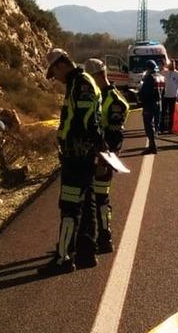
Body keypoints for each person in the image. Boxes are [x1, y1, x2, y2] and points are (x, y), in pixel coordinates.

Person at [43, 48, 106, 274]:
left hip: (78, 158)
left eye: (54, 73)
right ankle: (87, 254)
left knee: (69, 207)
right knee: (86, 203)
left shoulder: (81, 84)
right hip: (80, 156)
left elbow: (87, 122)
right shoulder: (76, 83)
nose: (55, 78)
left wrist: (96, 148)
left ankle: (64, 258)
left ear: (61, 65)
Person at [84, 59, 130, 254]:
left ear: (96, 75)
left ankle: (105, 238)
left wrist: (104, 162)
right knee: (91, 199)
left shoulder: (114, 100)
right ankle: (90, 237)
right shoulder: (97, 95)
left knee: (101, 199)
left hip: (104, 158)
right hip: (92, 155)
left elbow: (114, 136)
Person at [138, 60, 164, 154]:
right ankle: (153, 144)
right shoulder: (161, 77)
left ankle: (152, 146)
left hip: (149, 104)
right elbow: (163, 91)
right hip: (159, 103)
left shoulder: (149, 78)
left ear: (148, 68)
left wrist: (139, 96)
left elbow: (145, 92)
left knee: (148, 125)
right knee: (156, 125)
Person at [161, 60, 178, 133]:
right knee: (163, 112)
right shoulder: (164, 72)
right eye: (171, 64)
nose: (172, 66)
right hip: (165, 96)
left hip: (173, 96)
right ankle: (161, 128)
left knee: (171, 113)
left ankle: (170, 129)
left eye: (173, 64)